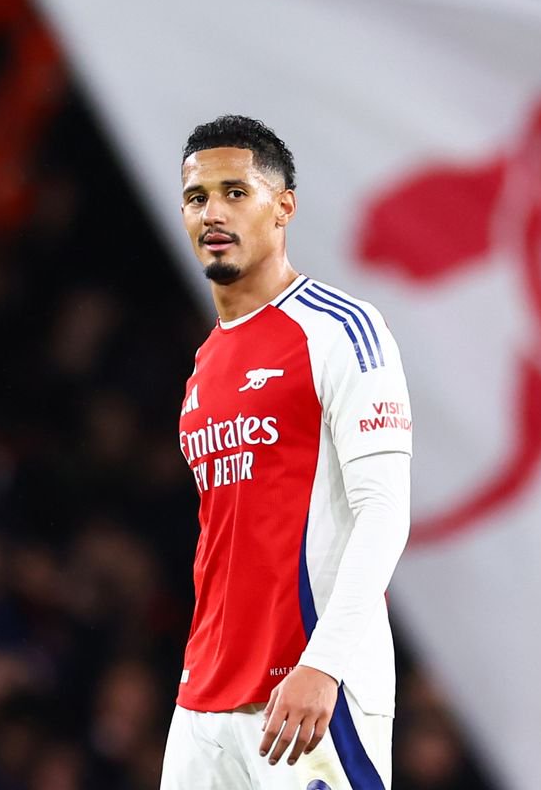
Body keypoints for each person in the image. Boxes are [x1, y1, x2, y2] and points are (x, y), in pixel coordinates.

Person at [159, 115, 412, 790]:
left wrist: (322, 664)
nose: (212, 212)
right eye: (196, 197)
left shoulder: (343, 330)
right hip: (203, 704)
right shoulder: (205, 366)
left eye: (235, 192)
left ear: (284, 206)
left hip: (306, 697)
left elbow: (383, 513)